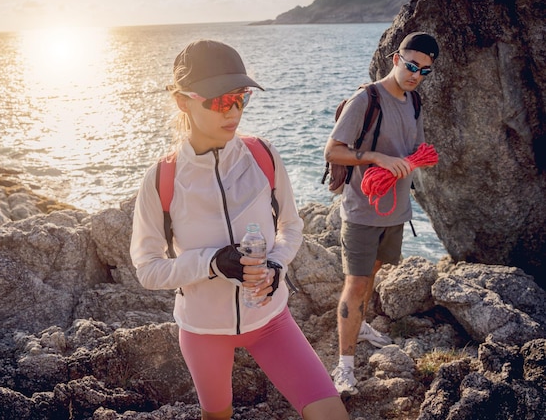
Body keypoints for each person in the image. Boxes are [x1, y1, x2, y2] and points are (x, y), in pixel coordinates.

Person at [130, 39, 349, 420]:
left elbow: (291, 227)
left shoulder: (262, 155)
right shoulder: (162, 179)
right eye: (218, 101)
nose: (232, 111)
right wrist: (212, 262)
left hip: (271, 322)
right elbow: (148, 269)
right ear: (183, 101)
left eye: (241, 97)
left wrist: (278, 265)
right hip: (203, 330)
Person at [323, 32, 440, 396]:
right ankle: (344, 366)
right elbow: (332, 150)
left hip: (395, 212)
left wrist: (417, 157)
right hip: (361, 212)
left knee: (373, 272)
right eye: (411, 66)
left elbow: (414, 147)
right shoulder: (366, 99)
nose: (415, 74)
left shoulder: (414, 102)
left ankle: (359, 323)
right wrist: (376, 158)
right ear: (395, 59)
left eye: (424, 70)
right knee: (356, 284)